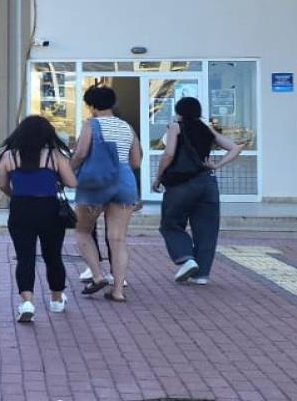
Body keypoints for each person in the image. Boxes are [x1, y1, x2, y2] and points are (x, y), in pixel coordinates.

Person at [154, 97, 243, 286]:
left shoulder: (176, 127)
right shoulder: (206, 128)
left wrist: (158, 177)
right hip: (207, 183)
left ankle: (186, 259)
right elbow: (235, 148)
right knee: (207, 231)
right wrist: (216, 166)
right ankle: (201, 275)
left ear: (179, 111)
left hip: (181, 184)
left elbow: (169, 154)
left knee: (171, 224)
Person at [0, 115, 78, 322]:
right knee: (53, 256)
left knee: (25, 257)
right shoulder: (55, 156)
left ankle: (27, 302)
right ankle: (57, 299)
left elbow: (3, 185)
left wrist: (16, 194)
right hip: (49, 209)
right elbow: (71, 183)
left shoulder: (9, 156)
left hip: (21, 208)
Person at [70, 85, 141, 303]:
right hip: (124, 181)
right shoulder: (127, 127)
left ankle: (98, 275)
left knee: (83, 231)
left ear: (91, 106)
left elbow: (81, 152)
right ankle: (118, 290)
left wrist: (70, 169)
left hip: (96, 181)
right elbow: (136, 161)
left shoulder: (91, 124)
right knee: (118, 238)